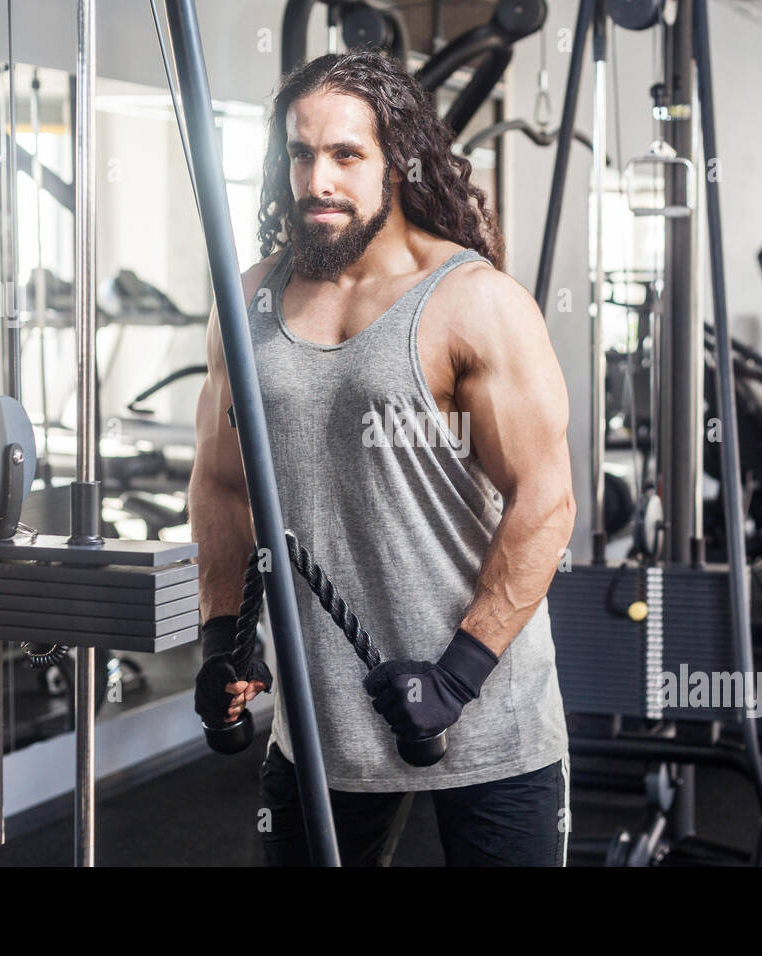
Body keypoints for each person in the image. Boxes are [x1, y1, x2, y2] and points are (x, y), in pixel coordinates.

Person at [189, 49, 575, 866]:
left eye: (345, 154)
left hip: (486, 716)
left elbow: (545, 501)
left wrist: (458, 675)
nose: (317, 179)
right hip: (320, 724)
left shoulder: (475, 301)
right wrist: (223, 633)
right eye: (300, 154)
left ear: (397, 159)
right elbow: (222, 486)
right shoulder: (244, 301)